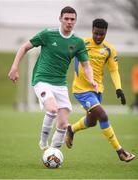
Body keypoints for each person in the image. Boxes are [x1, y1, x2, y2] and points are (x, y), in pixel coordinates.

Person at [8, 6, 98, 151]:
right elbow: (24, 47)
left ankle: (53, 152)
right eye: (66, 18)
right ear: (60, 19)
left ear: (75, 21)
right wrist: (14, 67)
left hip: (60, 85)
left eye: (72, 19)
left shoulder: (78, 42)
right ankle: (43, 143)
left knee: (63, 124)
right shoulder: (48, 34)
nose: (69, 22)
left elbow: (86, 66)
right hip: (42, 80)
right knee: (52, 109)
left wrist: (91, 80)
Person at [65, 19, 135, 162]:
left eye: (101, 34)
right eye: (96, 33)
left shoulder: (109, 49)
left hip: (97, 90)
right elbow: (67, 56)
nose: (98, 37)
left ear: (106, 33)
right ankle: (120, 151)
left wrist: (119, 89)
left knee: (91, 122)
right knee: (103, 115)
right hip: (81, 90)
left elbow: (114, 70)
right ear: (92, 30)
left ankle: (71, 129)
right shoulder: (81, 44)